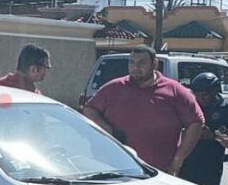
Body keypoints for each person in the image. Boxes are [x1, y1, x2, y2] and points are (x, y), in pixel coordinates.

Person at [83, 45, 204, 174]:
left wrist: (178, 159)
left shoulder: (174, 90)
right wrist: (105, 128)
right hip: (117, 169)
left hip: (159, 172)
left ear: (154, 64)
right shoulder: (113, 88)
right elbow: (90, 110)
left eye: (142, 63)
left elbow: (196, 122)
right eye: (132, 63)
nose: (135, 68)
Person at [182, 72, 228, 185]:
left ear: (214, 92)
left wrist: (213, 136)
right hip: (186, 161)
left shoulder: (227, 110)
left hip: (210, 163)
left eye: (204, 94)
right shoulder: (189, 106)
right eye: (197, 94)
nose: (200, 98)